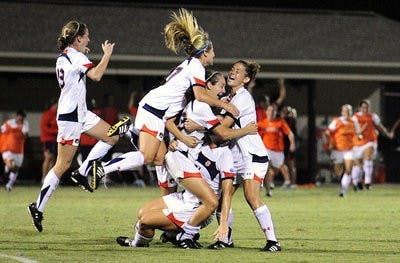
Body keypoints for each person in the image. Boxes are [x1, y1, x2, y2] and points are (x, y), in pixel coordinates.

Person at [27, 20, 124, 232]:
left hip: (80, 113)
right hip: (71, 117)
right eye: (86, 36)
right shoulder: (77, 57)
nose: (89, 39)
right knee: (62, 164)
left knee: (112, 137)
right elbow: (96, 75)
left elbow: (76, 65)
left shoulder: (64, 56)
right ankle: (38, 207)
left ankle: (82, 171)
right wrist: (107, 54)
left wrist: (82, 52)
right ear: (78, 38)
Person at [216, 60, 281, 252]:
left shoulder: (242, 98)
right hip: (236, 156)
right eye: (232, 69)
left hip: (253, 155)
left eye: (238, 71)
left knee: (251, 196)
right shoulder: (230, 97)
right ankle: (225, 239)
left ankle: (273, 241)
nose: (232, 72)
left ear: (245, 79)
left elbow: (222, 128)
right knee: (223, 197)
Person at [351, 100, 392, 190]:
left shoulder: (373, 116)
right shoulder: (355, 117)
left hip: (370, 141)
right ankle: (356, 182)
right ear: (360, 108)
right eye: (363, 107)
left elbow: (380, 127)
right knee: (358, 164)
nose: (365, 109)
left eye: (367, 107)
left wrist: (387, 134)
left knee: (368, 157)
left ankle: (367, 182)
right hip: (358, 142)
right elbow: (353, 130)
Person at [258, 104, 296, 197]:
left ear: (275, 112)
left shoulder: (280, 122)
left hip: (278, 151)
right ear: (266, 112)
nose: (271, 113)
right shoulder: (262, 122)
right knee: (266, 168)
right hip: (266, 149)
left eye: (273, 111)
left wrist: (292, 143)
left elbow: (290, 134)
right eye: (269, 111)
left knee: (274, 171)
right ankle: (264, 186)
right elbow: (253, 132)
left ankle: (269, 185)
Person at [325, 104, 358, 197]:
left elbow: (358, 133)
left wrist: (359, 136)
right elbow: (328, 132)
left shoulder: (354, 122)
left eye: (348, 111)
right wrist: (330, 142)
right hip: (337, 149)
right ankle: (343, 183)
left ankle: (342, 192)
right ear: (342, 112)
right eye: (345, 111)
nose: (347, 113)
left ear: (351, 112)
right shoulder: (337, 121)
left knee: (348, 169)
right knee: (338, 172)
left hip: (349, 149)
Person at [0, 110, 29, 191]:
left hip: (19, 149)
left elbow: (25, 135)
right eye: (20, 116)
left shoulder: (25, 124)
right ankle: (5, 175)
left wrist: (21, 127)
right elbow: (1, 130)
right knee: (11, 166)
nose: (21, 118)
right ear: (17, 116)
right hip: (8, 148)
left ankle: (9, 185)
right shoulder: (9, 123)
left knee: (16, 168)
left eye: (23, 117)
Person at [39, 99, 58, 183]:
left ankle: (50, 179)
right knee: (48, 157)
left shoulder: (56, 114)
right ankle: (43, 177)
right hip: (48, 139)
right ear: (52, 105)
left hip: (54, 140)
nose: (58, 106)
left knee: (53, 159)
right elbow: (44, 127)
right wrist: (55, 131)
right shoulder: (47, 114)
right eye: (56, 104)